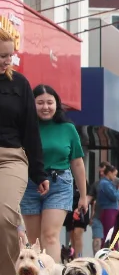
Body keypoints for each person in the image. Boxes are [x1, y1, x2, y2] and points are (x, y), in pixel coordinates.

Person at [0, 28, 48, 275]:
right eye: (2, 56)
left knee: (5, 215)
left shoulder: (19, 85)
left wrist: (39, 172)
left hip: (11, 157)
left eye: (10, 55)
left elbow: (31, 131)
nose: (8, 61)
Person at [20, 85, 89, 265]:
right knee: (34, 241)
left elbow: (77, 162)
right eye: (40, 103)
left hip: (60, 184)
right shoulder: (24, 128)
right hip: (29, 183)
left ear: (56, 104)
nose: (45, 107)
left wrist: (83, 195)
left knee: (50, 236)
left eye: (50, 102)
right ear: (31, 104)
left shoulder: (68, 128)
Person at [95, 164, 119, 249]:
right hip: (108, 210)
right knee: (109, 233)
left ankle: (113, 250)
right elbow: (114, 196)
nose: (115, 177)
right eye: (114, 174)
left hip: (113, 210)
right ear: (109, 173)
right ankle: (106, 251)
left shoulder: (109, 183)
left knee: (114, 233)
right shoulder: (104, 183)